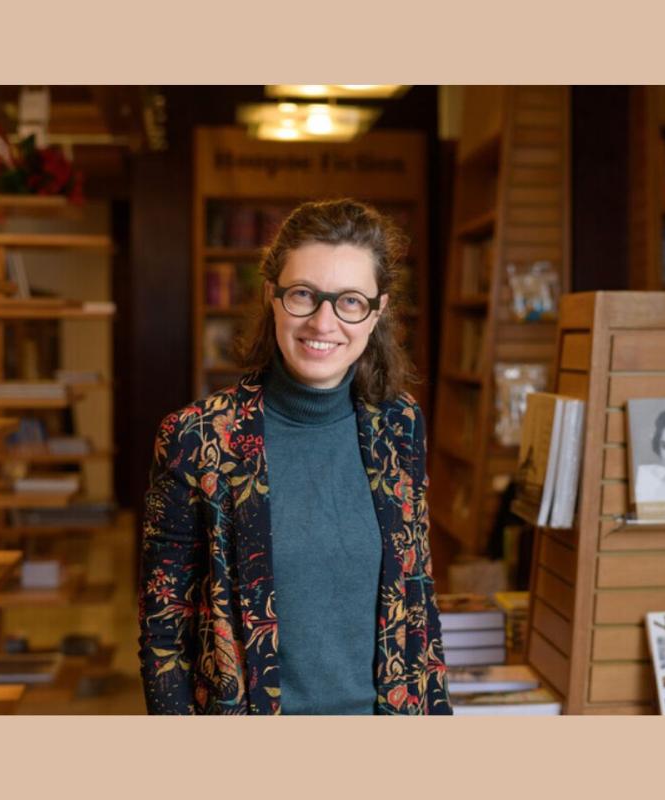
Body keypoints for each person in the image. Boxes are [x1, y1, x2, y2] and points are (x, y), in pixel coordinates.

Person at [138, 199, 451, 715]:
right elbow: (162, 635)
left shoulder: (400, 426)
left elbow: (418, 602)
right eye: (304, 295)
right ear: (272, 297)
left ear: (378, 312)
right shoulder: (196, 438)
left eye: (350, 301)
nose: (324, 321)